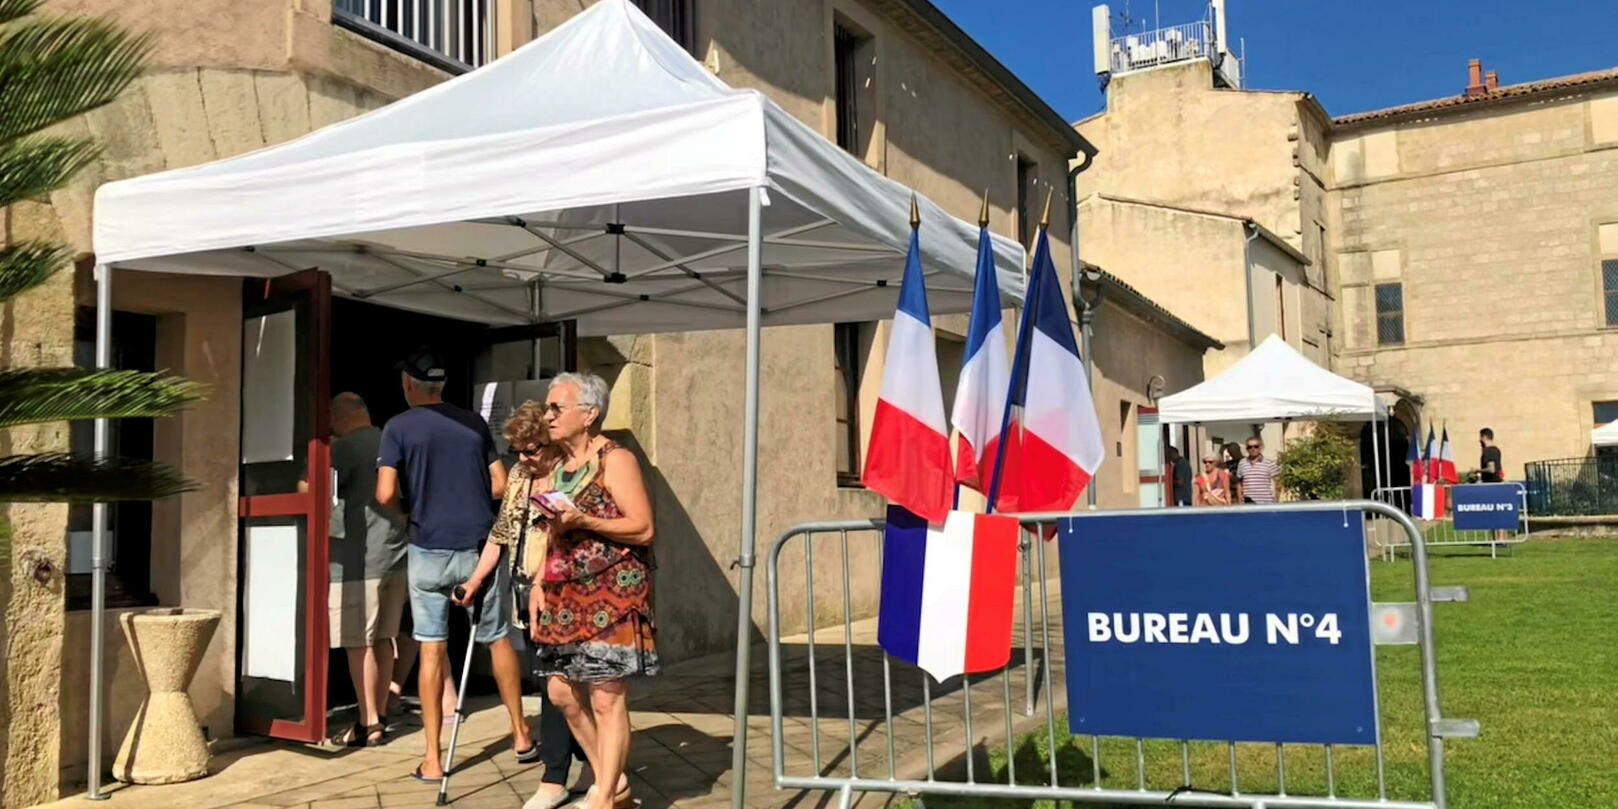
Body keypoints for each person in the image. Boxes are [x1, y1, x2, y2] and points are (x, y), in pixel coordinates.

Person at [374, 346, 535, 781]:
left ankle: (432, 756)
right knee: (496, 638)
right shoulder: (473, 423)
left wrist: (409, 514)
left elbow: (385, 493)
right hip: (477, 547)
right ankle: (521, 734)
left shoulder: (397, 428)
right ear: (441, 385)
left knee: (432, 648)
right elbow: (501, 483)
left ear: (409, 384)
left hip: (427, 549)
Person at [527, 373, 657, 809]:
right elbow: (551, 535)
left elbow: (642, 526)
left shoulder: (616, 460)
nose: (547, 416)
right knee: (561, 692)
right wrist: (539, 582)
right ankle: (611, 781)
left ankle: (603, 797)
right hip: (563, 593)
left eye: (556, 408)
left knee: (606, 696)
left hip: (613, 592)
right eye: (547, 408)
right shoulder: (556, 467)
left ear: (590, 414)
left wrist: (586, 521)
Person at [489, 401, 588, 809]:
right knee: (549, 683)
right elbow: (501, 531)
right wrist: (477, 581)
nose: (525, 458)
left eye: (532, 449)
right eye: (518, 451)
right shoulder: (517, 476)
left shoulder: (569, 475)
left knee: (559, 685)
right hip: (524, 591)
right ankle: (590, 762)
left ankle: (555, 775)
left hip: (562, 594)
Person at [323, 393, 408, 747]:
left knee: (358, 641)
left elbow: (312, 494)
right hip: (396, 554)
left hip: (357, 559)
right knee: (385, 637)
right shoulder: (392, 441)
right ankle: (382, 711)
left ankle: (368, 720)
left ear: (338, 417)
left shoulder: (341, 450)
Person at [1235, 438, 1279, 504]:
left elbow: (1277, 482)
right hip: (1248, 502)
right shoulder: (1242, 463)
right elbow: (1239, 482)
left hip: (1266, 502)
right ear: (1247, 449)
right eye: (1250, 447)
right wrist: (1239, 497)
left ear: (1260, 448)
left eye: (1256, 446)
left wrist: (1276, 498)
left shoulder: (1269, 463)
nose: (1253, 449)